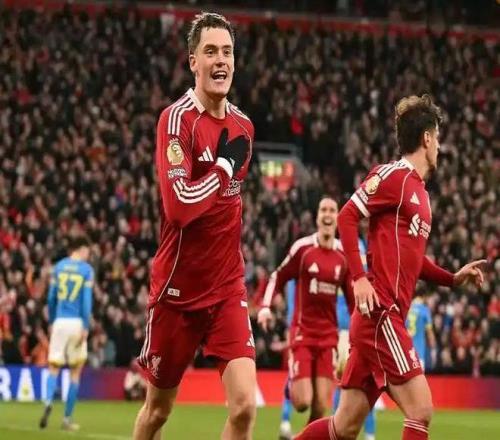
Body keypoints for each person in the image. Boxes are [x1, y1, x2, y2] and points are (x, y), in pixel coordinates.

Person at [293, 94, 486, 440]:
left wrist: (452, 279)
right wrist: (359, 278)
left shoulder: (421, 195)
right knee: (420, 410)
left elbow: (414, 260)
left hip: (379, 319)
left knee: (343, 427)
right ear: (426, 138)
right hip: (381, 312)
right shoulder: (393, 176)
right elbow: (347, 216)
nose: (439, 146)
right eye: (437, 138)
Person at [133, 12, 255, 440]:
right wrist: (222, 168)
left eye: (227, 52)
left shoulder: (243, 127)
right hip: (178, 293)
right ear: (193, 62)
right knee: (157, 411)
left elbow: (229, 206)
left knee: (244, 407)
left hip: (226, 287)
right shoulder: (176, 120)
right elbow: (179, 207)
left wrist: (223, 170)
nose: (221, 60)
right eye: (211, 51)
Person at [258, 197, 353, 437]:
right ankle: (291, 385)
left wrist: (359, 333)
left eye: (332, 210)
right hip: (303, 333)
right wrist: (266, 306)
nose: (328, 214)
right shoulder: (303, 249)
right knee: (302, 402)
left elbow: (354, 299)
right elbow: (278, 276)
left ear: (337, 218)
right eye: (323, 210)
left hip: (328, 337)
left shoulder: (344, 256)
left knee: (321, 407)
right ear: (317, 218)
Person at [39, 236, 94, 431]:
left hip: (60, 322)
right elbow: (86, 301)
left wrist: (52, 321)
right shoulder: (86, 270)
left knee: (53, 367)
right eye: (87, 251)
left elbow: (51, 297)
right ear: (80, 249)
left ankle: (48, 402)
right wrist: (86, 325)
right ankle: (67, 419)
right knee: (75, 372)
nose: (88, 255)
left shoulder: (58, 267)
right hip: (77, 323)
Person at [333, 237, 376, 440]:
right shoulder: (362, 247)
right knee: (366, 384)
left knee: (345, 384)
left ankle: (338, 431)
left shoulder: (339, 249)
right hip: (360, 326)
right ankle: (369, 434)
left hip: (344, 329)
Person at [406, 293, 436, 371]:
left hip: (405, 353)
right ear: (424, 297)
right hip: (419, 353)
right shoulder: (424, 310)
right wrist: (433, 351)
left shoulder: (407, 308)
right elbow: (430, 332)